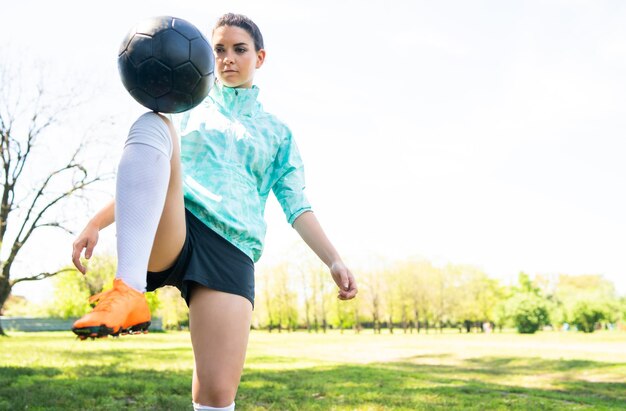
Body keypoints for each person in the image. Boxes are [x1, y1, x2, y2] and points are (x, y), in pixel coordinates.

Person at [70, 13, 358, 411]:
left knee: (216, 394)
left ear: (259, 57)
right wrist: (95, 222)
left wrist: (334, 260)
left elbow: (297, 206)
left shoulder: (278, 133)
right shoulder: (188, 110)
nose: (227, 58)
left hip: (232, 248)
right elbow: (151, 185)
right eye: (219, 50)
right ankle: (129, 290)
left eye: (239, 49)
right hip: (177, 228)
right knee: (154, 123)